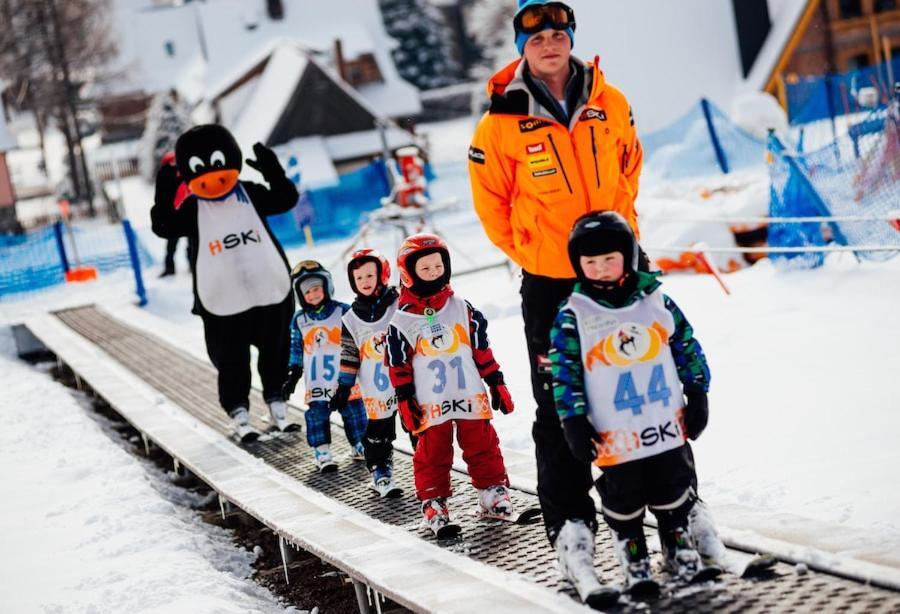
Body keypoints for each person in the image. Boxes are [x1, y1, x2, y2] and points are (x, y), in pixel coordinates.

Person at [467, 0, 649, 602]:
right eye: (536, 34)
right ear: (521, 44)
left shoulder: (609, 100)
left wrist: (627, 233)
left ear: (571, 37)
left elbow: (630, 163)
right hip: (550, 282)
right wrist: (533, 250)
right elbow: (490, 201)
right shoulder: (501, 120)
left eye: (558, 32)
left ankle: (662, 520)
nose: (549, 42)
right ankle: (570, 529)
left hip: (619, 276)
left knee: (637, 390)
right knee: (561, 403)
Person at [550, 212, 718, 597]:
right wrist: (573, 420)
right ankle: (635, 560)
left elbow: (685, 345)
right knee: (623, 497)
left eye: (609, 259)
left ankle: (680, 551)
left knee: (672, 488)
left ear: (627, 256)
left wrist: (697, 391)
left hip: (664, 423)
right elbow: (564, 373)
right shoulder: (574, 314)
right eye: (590, 263)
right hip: (615, 431)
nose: (601, 269)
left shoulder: (656, 301)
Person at [150, 125, 297, 441]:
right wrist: (164, 191)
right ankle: (238, 411)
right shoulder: (193, 208)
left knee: (277, 350)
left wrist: (272, 170)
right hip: (221, 301)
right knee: (231, 360)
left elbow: (285, 199)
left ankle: (277, 401)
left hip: (268, 291)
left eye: (219, 165)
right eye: (200, 170)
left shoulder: (250, 193)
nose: (211, 178)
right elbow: (163, 226)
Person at [385, 234, 515, 536]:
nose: (433, 273)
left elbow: (481, 348)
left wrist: (495, 379)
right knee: (432, 452)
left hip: (468, 391)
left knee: (483, 443)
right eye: (425, 269)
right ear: (408, 273)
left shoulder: (461, 307)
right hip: (429, 400)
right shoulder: (402, 321)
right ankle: (433, 502)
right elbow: (397, 365)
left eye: (438, 266)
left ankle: (492, 492)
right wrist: (404, 397)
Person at [331, 248, 411, 497]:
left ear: (382, 274)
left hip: (409, 381)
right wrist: (344, 387)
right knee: (378, 433)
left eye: (369, 275)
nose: (365, 282)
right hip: (377, 387)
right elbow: (348, 357)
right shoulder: (351, 318)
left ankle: (427, 470)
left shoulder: (399, 304)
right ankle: (380, 473)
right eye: (359, 278)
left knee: (417, 426)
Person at [282, 260, 368, 472]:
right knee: (317, 416)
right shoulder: (300, 319)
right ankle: (322, 451)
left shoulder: (343, 311)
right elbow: (295, 347)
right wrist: (293, 373)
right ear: (300, 296)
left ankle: (359, 445)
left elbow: (360, 339)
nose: (313, 294)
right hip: (317, 380)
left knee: (355, 413)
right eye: (307, 292)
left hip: (344, 378)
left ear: (326, 286)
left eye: (316, 289)